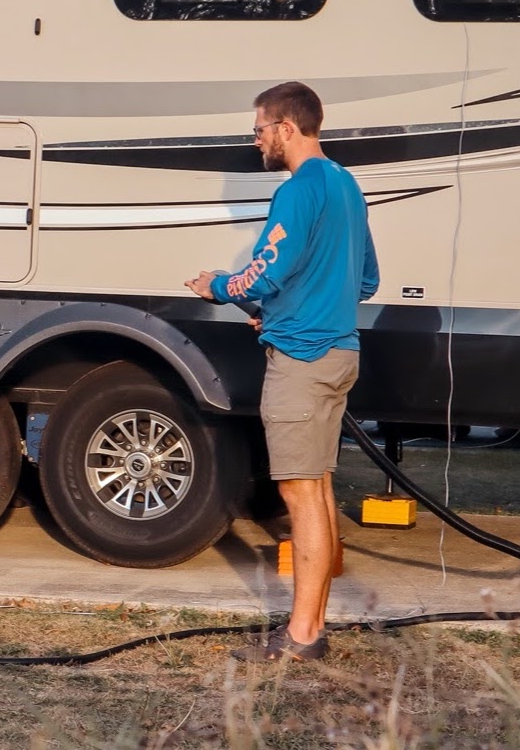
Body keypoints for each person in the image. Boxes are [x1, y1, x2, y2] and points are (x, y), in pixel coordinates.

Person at [185, 81, 378, 661]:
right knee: (316, 489)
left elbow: (262, 273)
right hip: (339, 355)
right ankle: (311, 628)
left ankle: (299, 636)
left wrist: (215, 286)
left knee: (298, 495)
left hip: (302, 363)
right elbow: (366, 280)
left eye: (260, 128)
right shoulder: (346, 185)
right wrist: (287, 312)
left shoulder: (298, 191)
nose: (257, 139)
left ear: (287, 129)